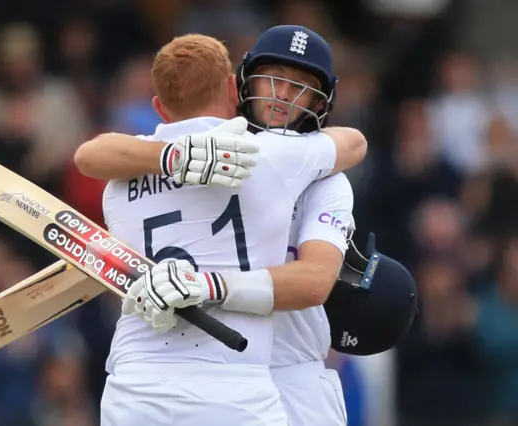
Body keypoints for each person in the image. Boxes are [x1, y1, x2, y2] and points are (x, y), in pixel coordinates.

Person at [75, 31, 366, 425]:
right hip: (231, 375)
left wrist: (208, 284)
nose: (284, 95)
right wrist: (172, 156)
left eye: (302, 87)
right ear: (238, 84)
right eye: (273, 78)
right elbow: (91, 155)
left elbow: (314, 281)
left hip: (288, 370)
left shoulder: (321, 175)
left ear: (320, 101)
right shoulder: (259, 156)